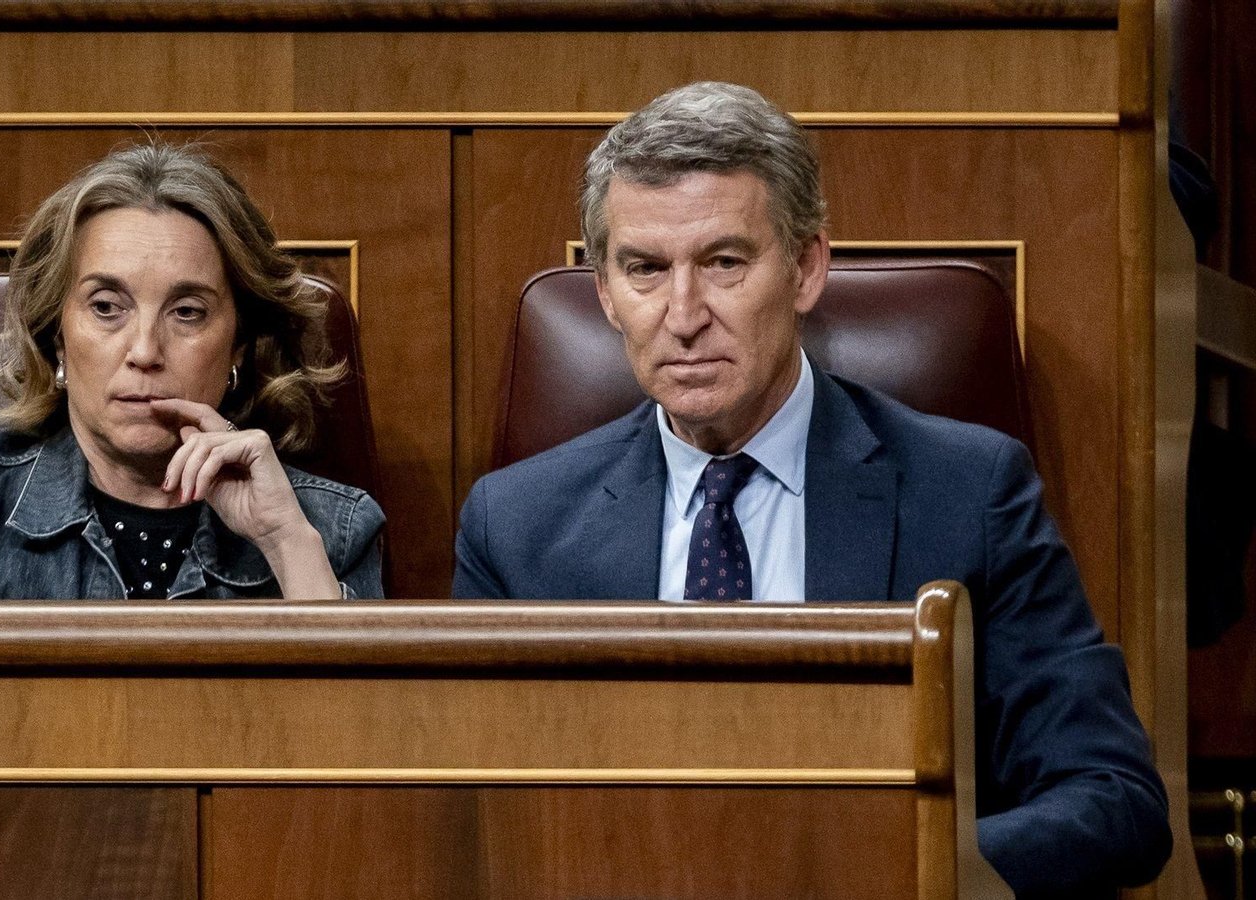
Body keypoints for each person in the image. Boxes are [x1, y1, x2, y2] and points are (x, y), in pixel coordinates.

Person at [453, 82, 1171, 896]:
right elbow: (476, 828)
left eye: (724, 262)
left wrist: (879, 869)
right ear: (608, 297)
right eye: (646, 269)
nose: (683, 314)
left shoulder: (968, 492)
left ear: (805, 269)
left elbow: (1114, 803)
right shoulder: (514, 526)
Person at [0, 143, 384, 600]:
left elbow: (363, 708)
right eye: (106, 307)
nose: (144, 351)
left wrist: (286, 543)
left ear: (240, 346)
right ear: (57, 338)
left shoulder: (331, 527)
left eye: (187, 312)